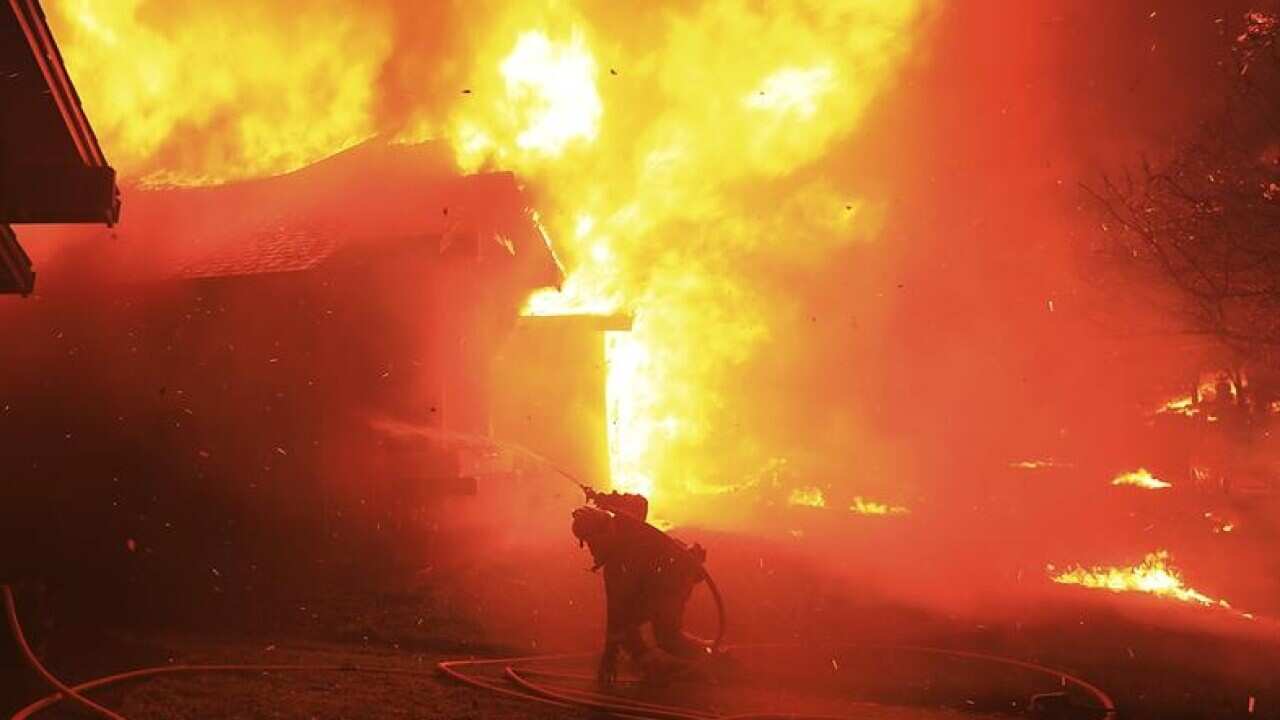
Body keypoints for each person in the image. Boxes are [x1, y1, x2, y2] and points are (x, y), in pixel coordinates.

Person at [572, 489, 712, 684]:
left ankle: (715, 661)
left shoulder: (629, 531)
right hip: (659, 581)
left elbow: (639, 502)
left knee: (667, 636)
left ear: (604, 531)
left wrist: (607, 498)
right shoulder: (622, 538)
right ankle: (653, 664)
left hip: (673, 578)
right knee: (627, 625)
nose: (592, 547)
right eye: (588, 542)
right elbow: (616, 613)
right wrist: (610, 654)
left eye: (593, 540)